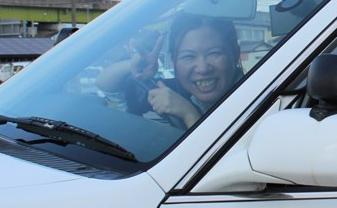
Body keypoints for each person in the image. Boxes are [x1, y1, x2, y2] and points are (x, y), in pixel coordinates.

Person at [97, 14, 243, 128]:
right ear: (173, 62)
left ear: (235, 54)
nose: (203, 68)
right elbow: (106, 85)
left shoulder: (256, 99)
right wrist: (133, 67)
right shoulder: (169, 92)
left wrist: (189, 114)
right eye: (188, 56)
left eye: (214, 53)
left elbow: (218, 161)